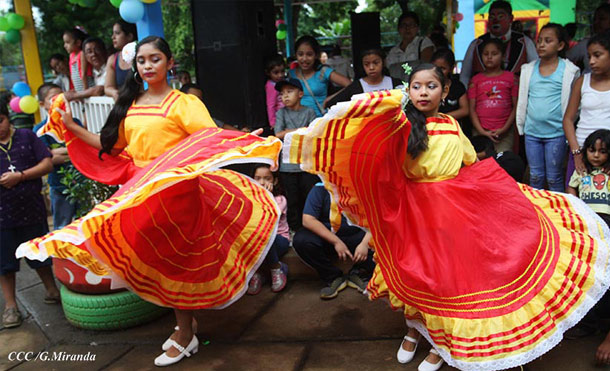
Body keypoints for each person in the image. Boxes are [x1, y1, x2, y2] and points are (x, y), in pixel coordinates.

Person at [283, 63, 610, 371]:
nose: (423, 92)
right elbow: (375, 157)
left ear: (445, 89)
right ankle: (415, 329)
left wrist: (493, 195)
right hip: (414, 214)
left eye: (431, 86)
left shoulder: (453, 125)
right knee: (416, 273)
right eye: (416, 86)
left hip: (454, 214)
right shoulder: (401, 125)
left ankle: (440, 344)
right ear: (407, 90)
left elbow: (469, 163)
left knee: (449, 280)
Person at [17, 36, 282, 367]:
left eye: (155, 59)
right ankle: (186, 326)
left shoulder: (183, 103)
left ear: (169, 63)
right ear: (136, 66)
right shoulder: (131, 104)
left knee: (173, 261)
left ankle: (185, 333)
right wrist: (70, 126)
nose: (148, 66)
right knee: (152, 256)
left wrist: (243, 141)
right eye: (142, 61)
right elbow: (109, 146)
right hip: (141, 191)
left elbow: (208, 138)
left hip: (177, 194)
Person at [0, 96, 60, 329]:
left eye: (1, 120)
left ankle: (52, 290)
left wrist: (21, 176)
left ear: (7, 116)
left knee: (39, 255)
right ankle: (11, 306)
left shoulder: (26, 136)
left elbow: (47, 163)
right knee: (5, 264)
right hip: (2, 217)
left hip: (32, 210)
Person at [516, 23, 579, 192]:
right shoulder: (528, 70)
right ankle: (537, 212)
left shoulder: (569, 71)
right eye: (539, 40)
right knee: (535, 175)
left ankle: (556, 213)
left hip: (557, 133)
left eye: (548, 40)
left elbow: (575, 103)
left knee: (554, 177)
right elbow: (523, 100)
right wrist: (521, 124)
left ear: (560, 45)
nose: (541, 44)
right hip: (532, 133)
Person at [293, 183, 374, 299]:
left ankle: (359, 273)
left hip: (357, 235)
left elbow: (378, 218)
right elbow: (308, 220)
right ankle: (333, 277)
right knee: (302, 240)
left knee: (385, 237)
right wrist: (336, 242)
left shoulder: (363, 187)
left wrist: (364, 244)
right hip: (328, 237)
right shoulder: (320, 188)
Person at [563, 30, 610, 189]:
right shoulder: (582, 81)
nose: (591, 61)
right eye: (589, 56)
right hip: (582, 149)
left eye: (597, 55)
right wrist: (576, 153)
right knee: (575, 196)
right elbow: (568, 120)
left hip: (608, 152)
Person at [273, 78, 318, 231]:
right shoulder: (281, 113)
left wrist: (290, 132)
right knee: (292, 200)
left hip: (307, 164)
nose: (285, 96)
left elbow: (314, 131)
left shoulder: (309, 111)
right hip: (287, 166)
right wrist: (300, 130)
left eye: (289, 92)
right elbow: (278, 134)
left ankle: (311, 228)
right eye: (282, 93)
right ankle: (293, 230)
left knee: (308, 198)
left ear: (300, 94)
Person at [460, 0, 537, 87]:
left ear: (511, 19)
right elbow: (465, 75)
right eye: (492, 17)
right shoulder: (476, 44)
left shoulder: (524, 42)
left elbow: (535, 71)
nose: (496, 21)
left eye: (501, 17)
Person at [33, 83, 77, 230]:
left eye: (62, 96)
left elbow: (84, 147)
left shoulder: (74, 123)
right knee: (62, 225)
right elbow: (47, 156)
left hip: (81, 181)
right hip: (59, 184)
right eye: (53, 98)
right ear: (42, 104)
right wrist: (72, 150)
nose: (59, 101)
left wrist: (58, 152)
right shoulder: (40, 130)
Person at [468, 38, 518, 153]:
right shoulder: (475, 80)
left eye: (494, 54)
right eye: (486, 54)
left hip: (504, 133)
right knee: (482, 165)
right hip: (480, 131)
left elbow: (516, 107)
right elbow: (472, 108)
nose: (489, 57)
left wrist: (504, 129)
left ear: (503, 56)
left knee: (503, 163)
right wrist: (482, 131)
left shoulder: (511, 78)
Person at [247, 164, 290, 294]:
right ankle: (256, 273)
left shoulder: (280, 199)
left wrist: (267, 195)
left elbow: (268, 219)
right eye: (258, 178)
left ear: (275, 181)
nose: (262, 182)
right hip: (257, 242)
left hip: (278, 240)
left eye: (267, 178)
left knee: (265, 235)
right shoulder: (249, 199)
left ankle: (276, 268)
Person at [289, 36, 351, 117]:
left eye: (309, 54)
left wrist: (331, 98)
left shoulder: (323, 72)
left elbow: (350, 85)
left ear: (316, 55)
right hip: (297, 122)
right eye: (300, 54)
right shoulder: (291, 74)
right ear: (295, 55)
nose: (304, 59)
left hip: (319, 122)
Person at [326, 49, 403, 108]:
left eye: (376, 63)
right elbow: (333, 104)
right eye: (367, 64)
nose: (371, 67)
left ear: (384, 62)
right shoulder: (355, 87)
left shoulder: (395, 83)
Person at [431, 48, 471, 137]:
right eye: (435, 67)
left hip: (455, 131)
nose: (438, 72)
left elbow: (465, 110)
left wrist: (442, 117)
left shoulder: (457, 86)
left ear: (451, 68)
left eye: (443, 68)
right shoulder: (426, 86)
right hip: (433, 130)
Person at [386, 11, 435, 80]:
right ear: (399, 29)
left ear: (417, 28)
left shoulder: (424, 43)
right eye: (404, 25)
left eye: (411, 25)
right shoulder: (393, 51)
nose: (407, 28)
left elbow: (427, 66)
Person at [567, 4, 610, 72]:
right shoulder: (586, 43)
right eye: (594, 19)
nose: (596, 22)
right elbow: (566, 58)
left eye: (602, 19)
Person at [64, 37, 108, 102]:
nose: (94, 54)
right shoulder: (92, 73)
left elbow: (99, 90)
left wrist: (74, 95)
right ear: (85, 56)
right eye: (89, 52)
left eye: (97, 50)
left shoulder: (111, 67)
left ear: (104, 51)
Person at [105, 20, 137, 101]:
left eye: (117, 33)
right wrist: (114, 93)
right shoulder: (113, 59)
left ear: (129, 36)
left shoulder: (141, 55)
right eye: (113, 34)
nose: (113, 37)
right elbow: (108, 87)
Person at [63, 27, 90, 92]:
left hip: (87, 86)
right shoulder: (71, 56)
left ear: (78, 43)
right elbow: (72, 74)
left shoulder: (82, 54)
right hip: (79, 89)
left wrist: (85, 91)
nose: (65, 46)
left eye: (67, 42)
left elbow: (84, 74)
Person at [264, 54, 285, 128]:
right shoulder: (271, 86)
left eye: (282, 71)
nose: (280, 75)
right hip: (279, 117)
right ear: (268, 73)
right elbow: (271, 105)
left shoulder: (283, 82)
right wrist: (273, 123)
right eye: (276, 72)